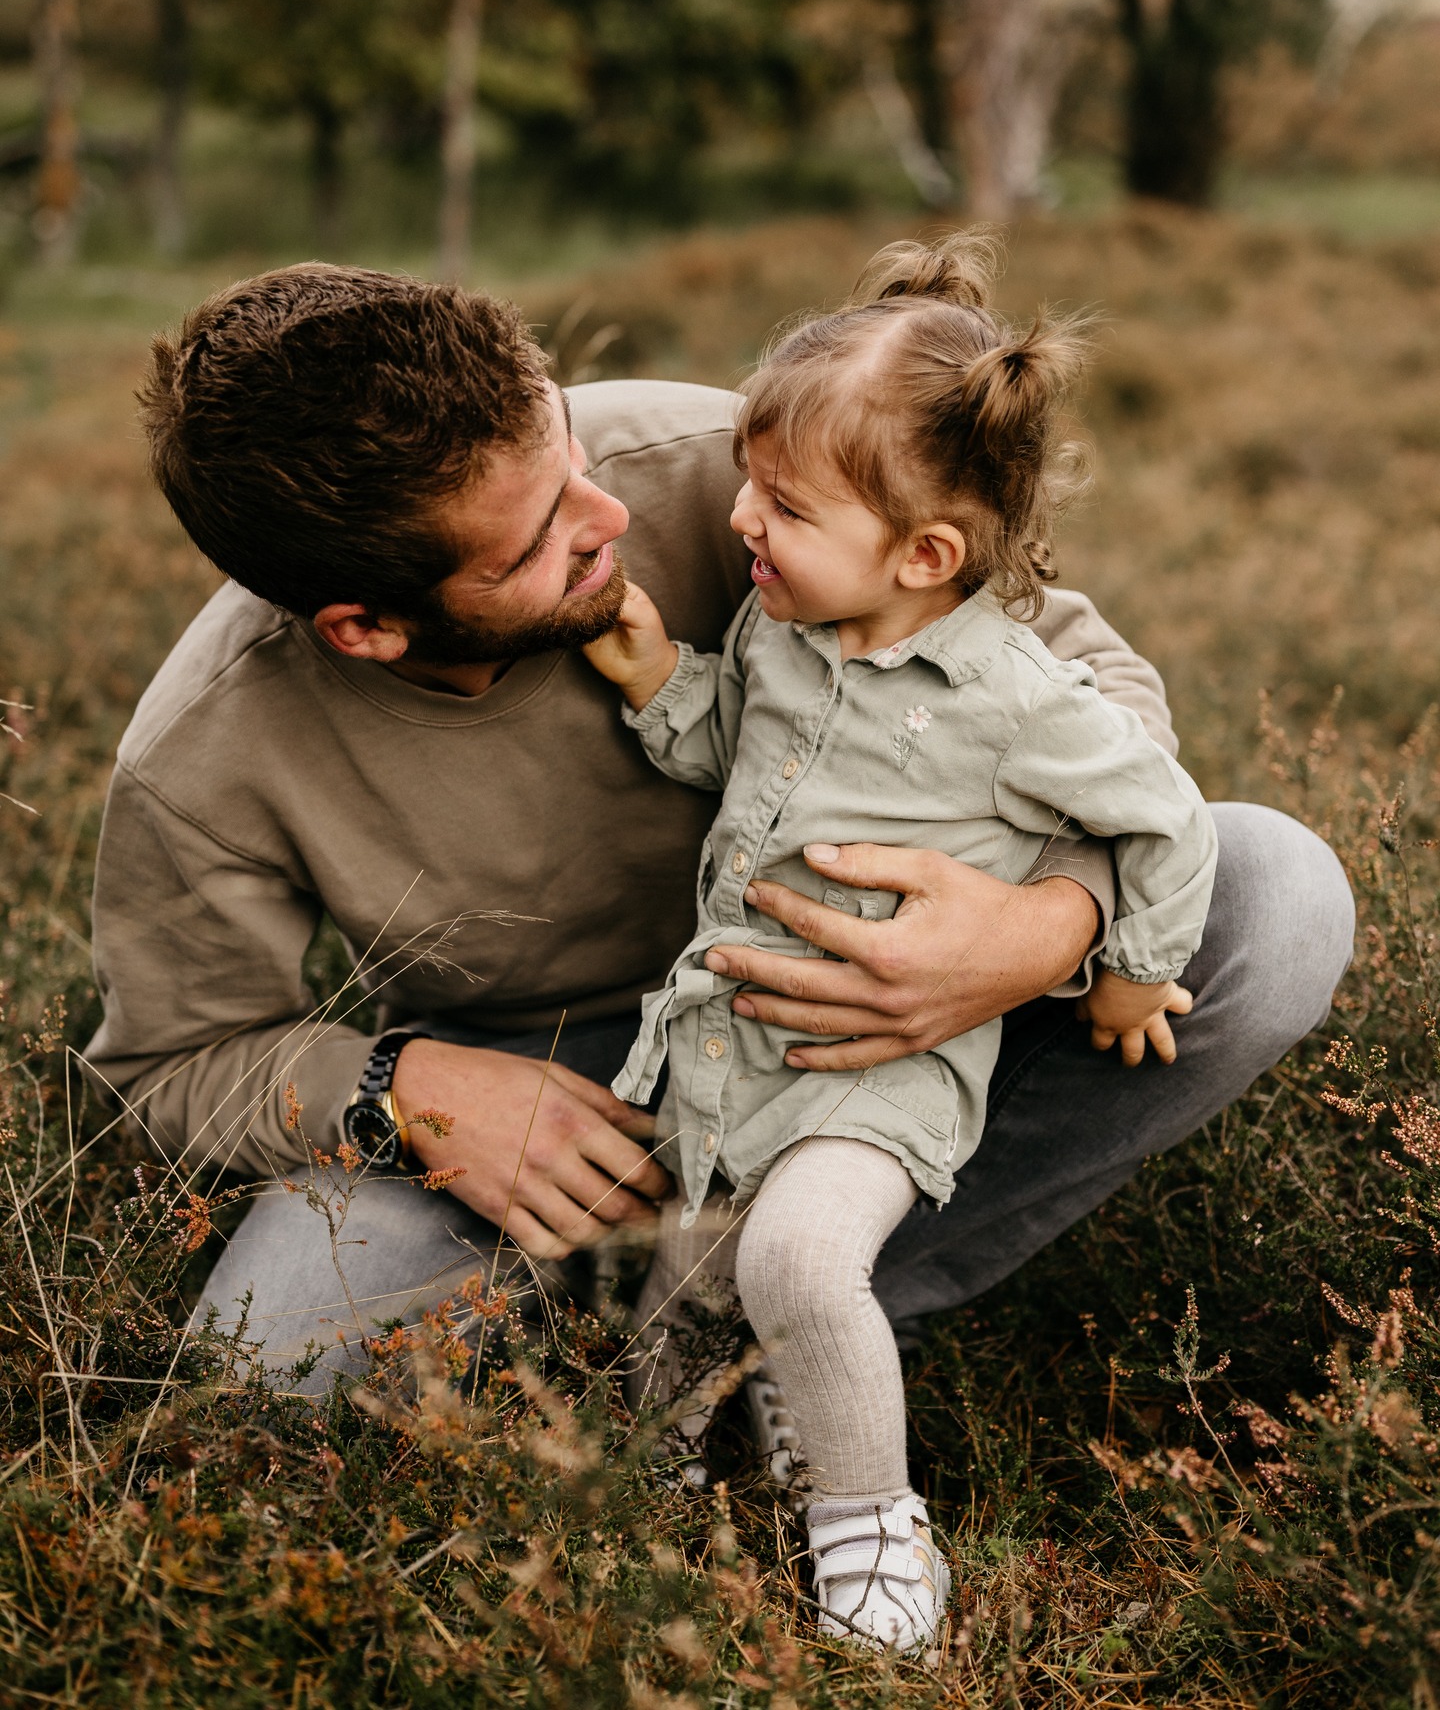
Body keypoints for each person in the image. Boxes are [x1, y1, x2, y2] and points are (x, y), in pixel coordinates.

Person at [84, 262, 1352, 1435]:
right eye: (537, 541)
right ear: (364, 628)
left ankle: (809, 1309)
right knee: (264, 1377)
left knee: (1276, 899)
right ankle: (665, 1330)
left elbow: (1085, 675)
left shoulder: (721, 466)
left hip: (866, 1020)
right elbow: (174, 1062)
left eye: (571, 448)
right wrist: (406, 1092)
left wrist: (1040, 932)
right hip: (555, 1091)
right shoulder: (205, 754)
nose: (611, 514)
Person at [583, 232, 1218, 1650]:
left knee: (800, 1262)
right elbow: (737, 762)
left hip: (883, 1066)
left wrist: (1128, 972)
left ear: (928, 554)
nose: (744, 518)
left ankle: (869, 1536)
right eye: (751, 482)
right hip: (736, 1050)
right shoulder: (780, 629)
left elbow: (1172, 820)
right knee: (679, 1282)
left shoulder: (1011, 691)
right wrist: (655, 682)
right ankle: (660, 1492)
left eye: (784, 505)